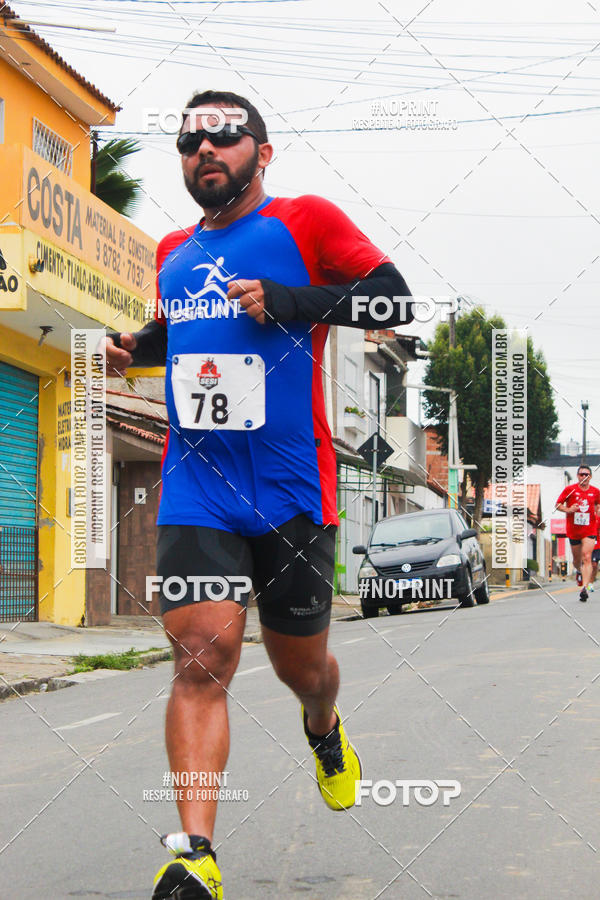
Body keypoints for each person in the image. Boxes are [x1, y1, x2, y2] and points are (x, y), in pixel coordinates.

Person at [104, 90, 413, 900]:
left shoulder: (304, 223)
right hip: (195, 484)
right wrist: (134, 346)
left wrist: (292, 303)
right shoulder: (172, 250)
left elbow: (394, 300)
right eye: (188, 141)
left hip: (290, 489)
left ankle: (325, 727)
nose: (204, 150)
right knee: (202, 657)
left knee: (301, 668)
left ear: (262, 152)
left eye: (224, 135)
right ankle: (194, 854)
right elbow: (182, 327)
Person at [555, 464, 600, 602]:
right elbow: (557, 505)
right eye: (581, 474)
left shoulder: (595, 491)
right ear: (578, 476)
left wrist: (597, 510)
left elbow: (598, 504)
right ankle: (580, 571)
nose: (584, 477)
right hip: (574, 530)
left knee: (587, 557)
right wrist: (568, 510)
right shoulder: (570, 490)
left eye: (586, 475)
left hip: (589, 529)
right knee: (576, 561)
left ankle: (584, 588)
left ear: (590, 477)